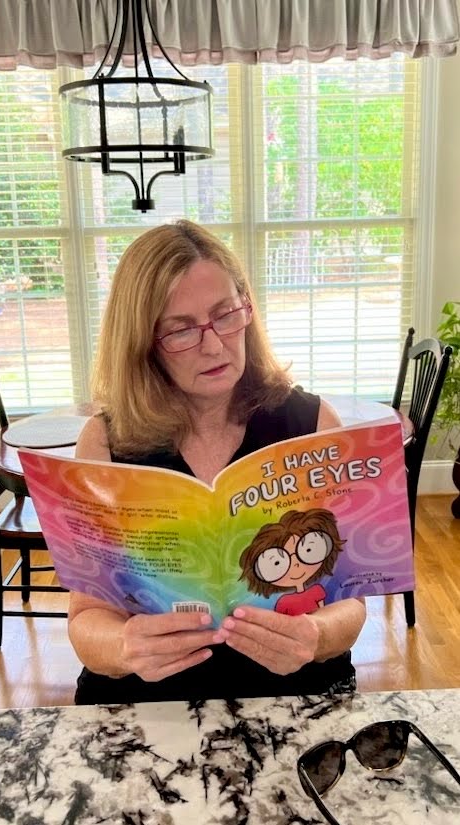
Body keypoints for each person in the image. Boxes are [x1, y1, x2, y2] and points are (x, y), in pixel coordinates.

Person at [70, 219, 366, 704]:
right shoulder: (106, 443)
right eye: (180, 331)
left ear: (246, 306)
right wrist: (124, 648)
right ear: (143, 344)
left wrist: (316, 637)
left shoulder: (311, 424)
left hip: (289, 691)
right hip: (152, 699)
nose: (214, 344)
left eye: (226, 314)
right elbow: (85, 619)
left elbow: (349, 601)